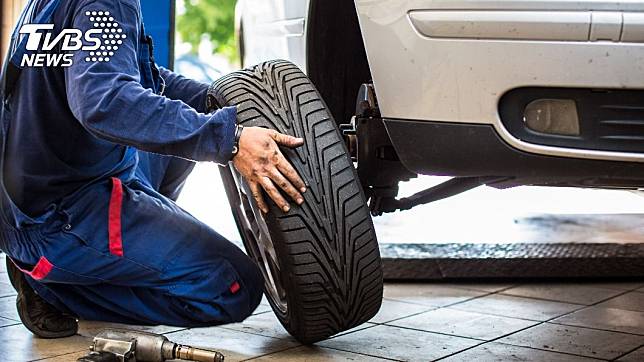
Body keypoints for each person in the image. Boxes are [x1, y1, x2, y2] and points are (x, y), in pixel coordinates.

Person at [0, 0, 306, 338]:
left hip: (36, 196)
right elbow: (105, 103)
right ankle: (52, 287)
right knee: (235, 287)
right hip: (62, 217)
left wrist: (219, 103)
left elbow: (144, 80)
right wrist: (229, 140)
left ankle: (128, 253)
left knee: (174, 140)